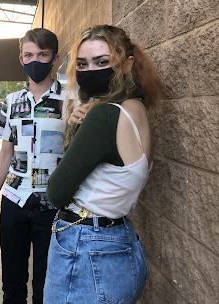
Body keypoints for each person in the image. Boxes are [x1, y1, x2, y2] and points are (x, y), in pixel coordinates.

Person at [43, 25, 163, 303]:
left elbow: (57, 193)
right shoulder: (137, 109)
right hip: (120, 243)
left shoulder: (104, 116)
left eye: (102, 62)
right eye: (82, 64)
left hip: (85, 247)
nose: (90, 71)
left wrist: (73, 131)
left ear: (126, 64)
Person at [0, 28, 66, 304]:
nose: (35, 61)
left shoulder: (70, 100)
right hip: (14, 201)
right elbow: (5, 154)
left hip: (51, 204)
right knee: (12, 285)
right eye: (28, 55)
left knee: (46, 286)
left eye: (42, 55)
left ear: (54, 58)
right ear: (21, 59)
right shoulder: (12, 102)